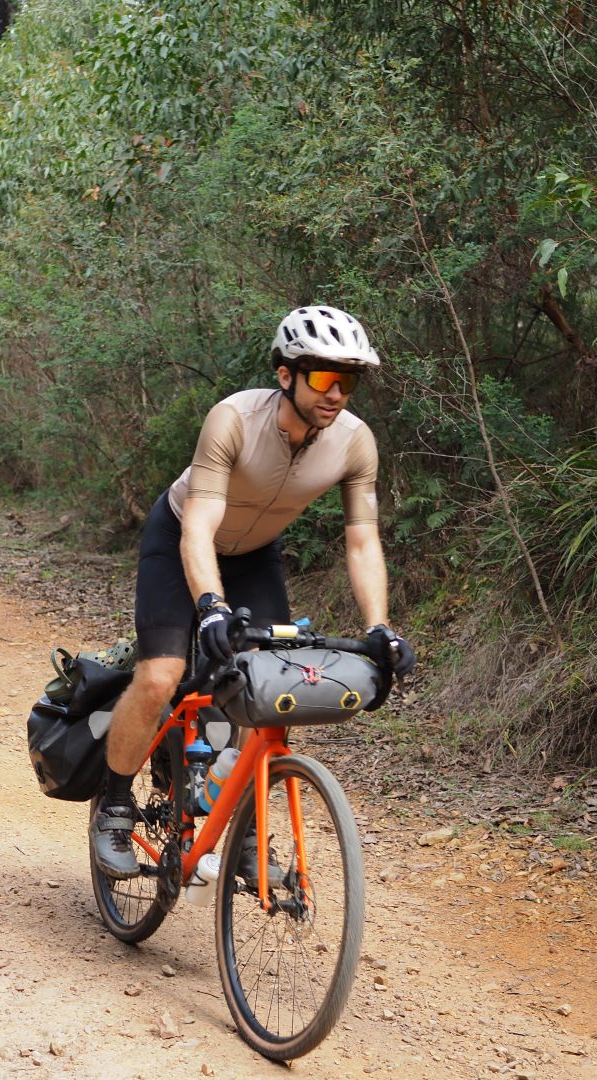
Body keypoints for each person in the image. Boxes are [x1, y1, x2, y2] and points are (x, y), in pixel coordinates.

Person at [91, 304, 416, 879]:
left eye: (349, 380)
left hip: (254, 553)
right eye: (322, 377)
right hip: (182, 537)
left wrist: (379, 627)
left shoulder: (354, 442)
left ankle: (238, 826)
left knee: (271, 690)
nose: (336, 393)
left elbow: (362, 540)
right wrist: (210, 609)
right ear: (285, 374)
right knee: (163, 674)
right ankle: (115, 802)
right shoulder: (234, 420)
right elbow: (199, 527)